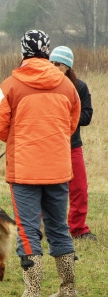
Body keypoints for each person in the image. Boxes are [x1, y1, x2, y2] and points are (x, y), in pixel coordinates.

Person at [0, 30, 81, 297]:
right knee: (59, 227)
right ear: (47, 51)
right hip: (58, 167)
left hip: (24, 170)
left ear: (22, 52)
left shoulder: (9, 85)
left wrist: (19, 138)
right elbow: (71, 124)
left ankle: (32, 292)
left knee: (28, 230)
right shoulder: (67, 86)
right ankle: (68, 288)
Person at [49, 46, 96, 241]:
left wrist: (66, 118)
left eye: (58, 64)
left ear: (67, 67)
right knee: (46, 188)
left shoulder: (80, 87)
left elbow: (87, 115)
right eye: (51, 63)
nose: (53, 67)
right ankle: (44, 227)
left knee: (79, 189)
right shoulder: (45, 86)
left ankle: (77, 229)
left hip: (72, 146)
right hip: (49, 147)